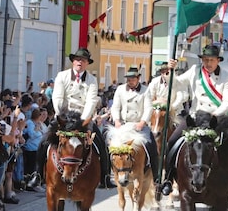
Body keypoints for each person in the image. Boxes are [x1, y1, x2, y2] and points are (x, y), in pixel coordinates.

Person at [163, 44, 228, 196]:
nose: (208, 63)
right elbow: (177, 84)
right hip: (196, 117)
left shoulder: (226, 76)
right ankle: (168, 179)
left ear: (218, 60)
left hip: (216, 118)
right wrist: (170, 71)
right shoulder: (194, 71)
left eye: (211, 60)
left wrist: (216, 115)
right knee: (172, 141)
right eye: (205, 60)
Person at [52, 48, 114, 188]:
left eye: (83, 60)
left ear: (87, 63)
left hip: (83, 118)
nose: (80, 62)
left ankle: (105, 176)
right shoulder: (62, 76)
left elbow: (91, 101)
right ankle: (36, 175)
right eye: (78, 59)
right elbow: (57, 97)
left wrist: (84, 121)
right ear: (73, 61)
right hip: (65, 116)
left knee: (101, 144)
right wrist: (61, 116)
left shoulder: (92, 80)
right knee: (44, 142)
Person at [110, 66, 159, 183]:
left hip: (139, 125)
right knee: (110, 145)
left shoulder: (145, 90)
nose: (130, 81)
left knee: (151, 145)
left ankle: (156, 176)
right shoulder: (120, 89)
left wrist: (142, 122)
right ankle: (108, 173)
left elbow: (148, 108)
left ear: (138, 78)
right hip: (123, 125)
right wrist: (116, 120)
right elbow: (115, 106)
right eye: (128, 79)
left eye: (132, 79)